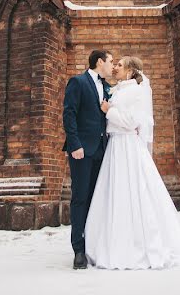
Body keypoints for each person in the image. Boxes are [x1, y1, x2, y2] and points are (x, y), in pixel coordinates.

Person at [85, 56, 180, 270]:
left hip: (127, 147)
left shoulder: (136, 91)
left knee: (133, 191)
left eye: (119, 65)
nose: (115, 67)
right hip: (116, 147)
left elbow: (131, 122)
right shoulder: (120, 90)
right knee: (116, 193)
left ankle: (138, 245)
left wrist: (110, 111)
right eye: (114, 64)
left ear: (130, 70)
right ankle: (111, 241)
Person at [62, 49, 114, 270]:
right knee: (80, 198)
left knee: (96, 198)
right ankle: (79, 250)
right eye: (111, 61)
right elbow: (69, 113)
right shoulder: (78, 82)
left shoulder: (108, 87)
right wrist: (75, 144)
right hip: (82, 151)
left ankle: (94, 245)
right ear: (100, 62)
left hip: (102, 151)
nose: (112, 66)